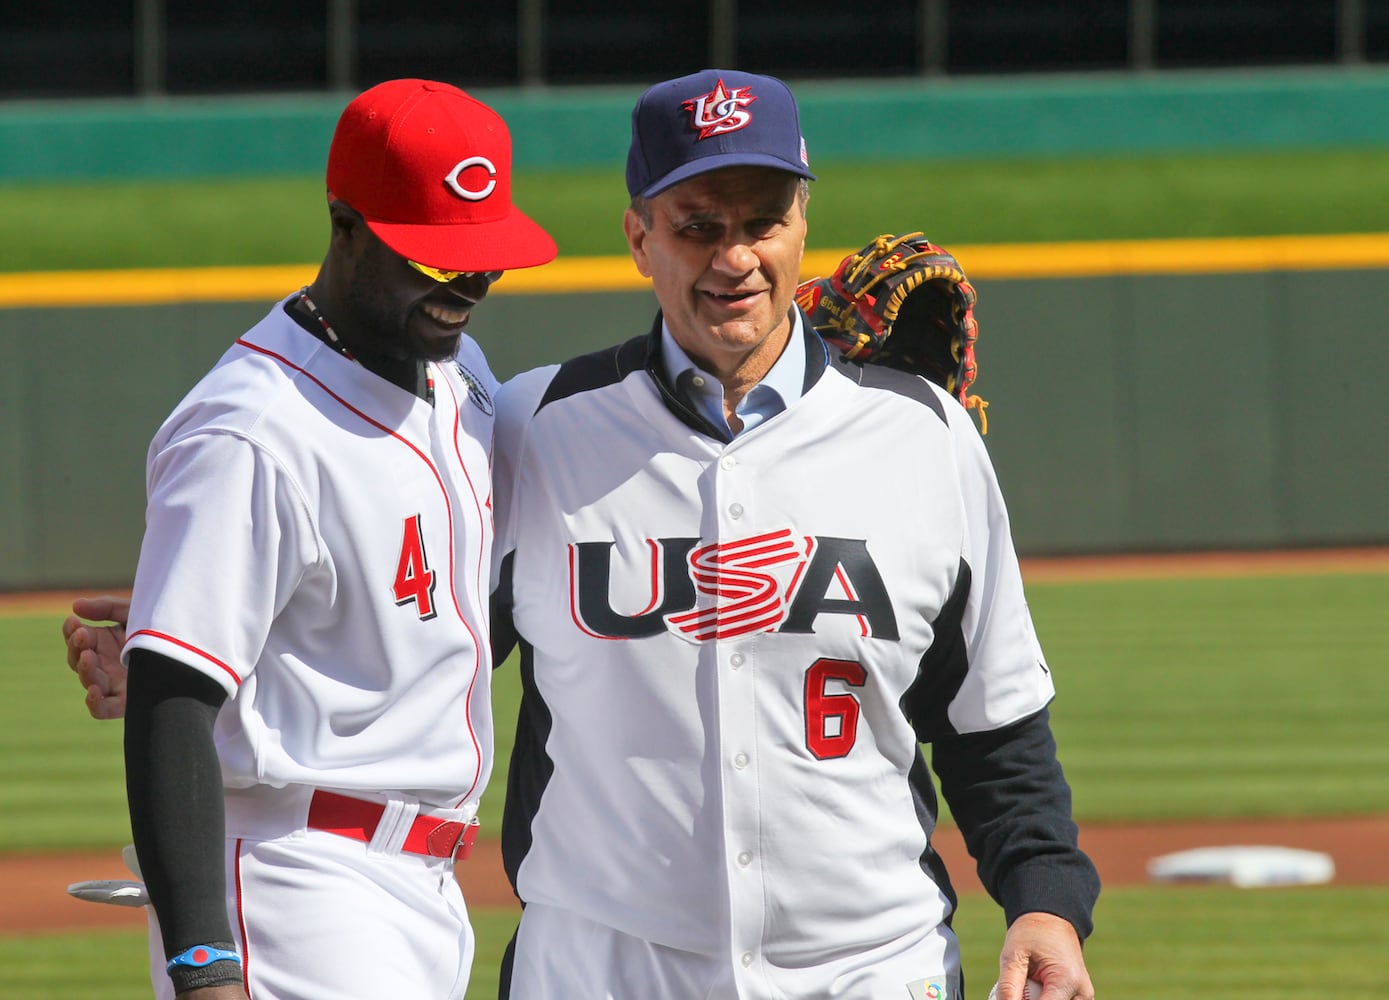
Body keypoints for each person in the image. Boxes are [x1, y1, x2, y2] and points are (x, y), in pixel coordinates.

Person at [67, 69, 1098, 1000]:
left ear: (801, 223)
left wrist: (1045, 899)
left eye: (763, 219)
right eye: (697, 223)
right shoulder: (533, 425)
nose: (734, 255)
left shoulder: (919, 438)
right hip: (586, 964)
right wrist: (206, 649)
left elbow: (995, 722)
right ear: (638, 236)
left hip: (873, 965)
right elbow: (408, 605)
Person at [74, 77, 556, 1000]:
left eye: (480, 255)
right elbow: (172, 702)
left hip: (416, 885)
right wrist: (205, 967)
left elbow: (440, 620)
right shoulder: (249, 431)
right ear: (344, 226)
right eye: (435, 255)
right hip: (296, 883)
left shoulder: (458, 377)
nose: (469, 283)